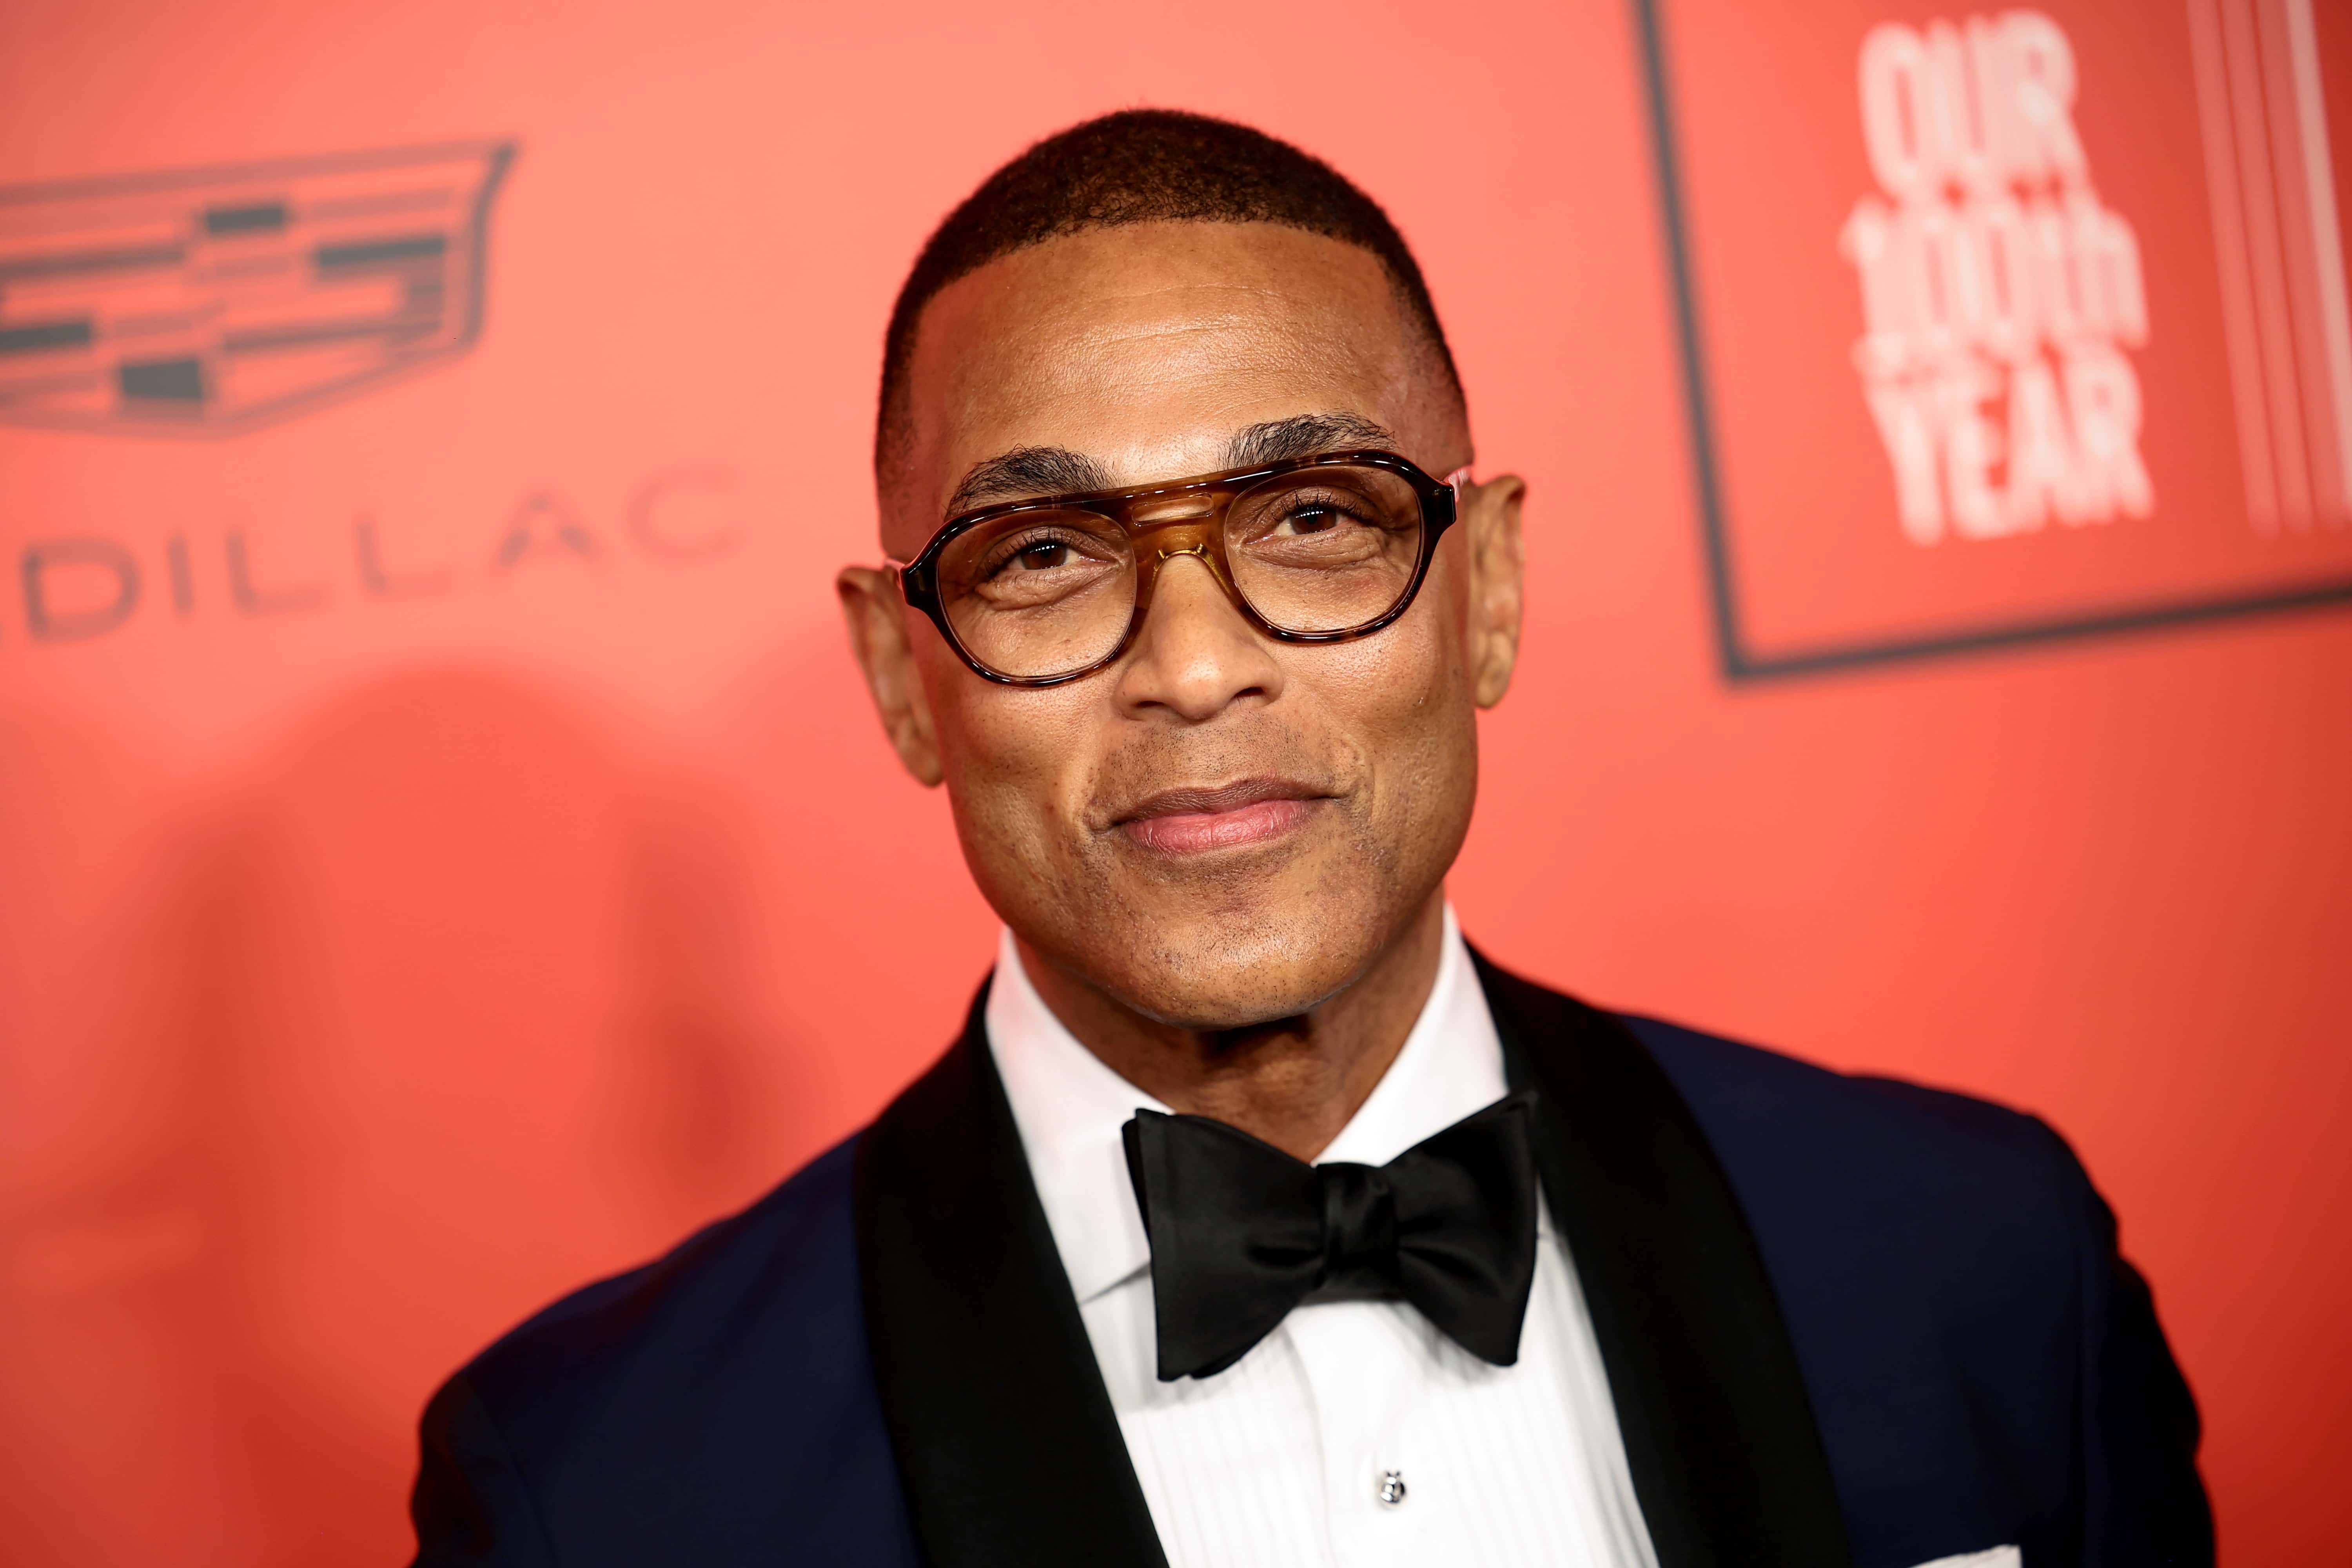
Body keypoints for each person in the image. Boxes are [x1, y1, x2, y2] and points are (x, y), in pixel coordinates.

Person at [408, 110, 2211, 1568]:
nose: (1194, 668)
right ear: (904, 674)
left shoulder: (1978, 1264)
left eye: (1313, 517)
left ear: (1486, 593)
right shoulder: (604, 1488)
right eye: (1043, 555)